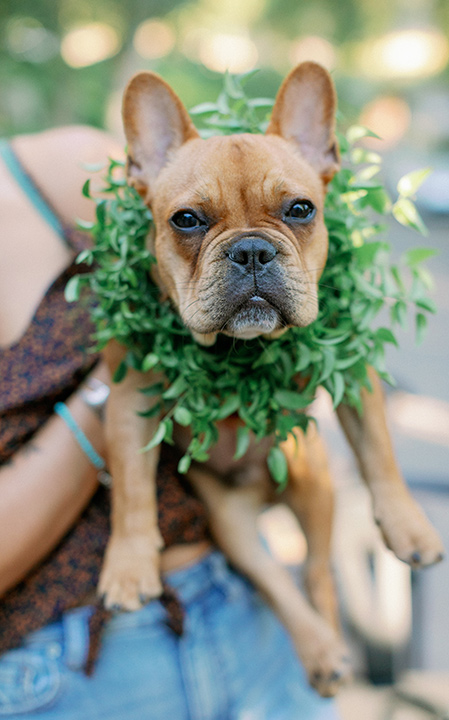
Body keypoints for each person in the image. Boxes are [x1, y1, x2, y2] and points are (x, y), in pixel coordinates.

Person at [0, 125, 340, 719]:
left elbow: (253, 426)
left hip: (244, 606)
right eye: (191, 224)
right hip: (75, 675)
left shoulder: (57, 167)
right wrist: (125, 376)